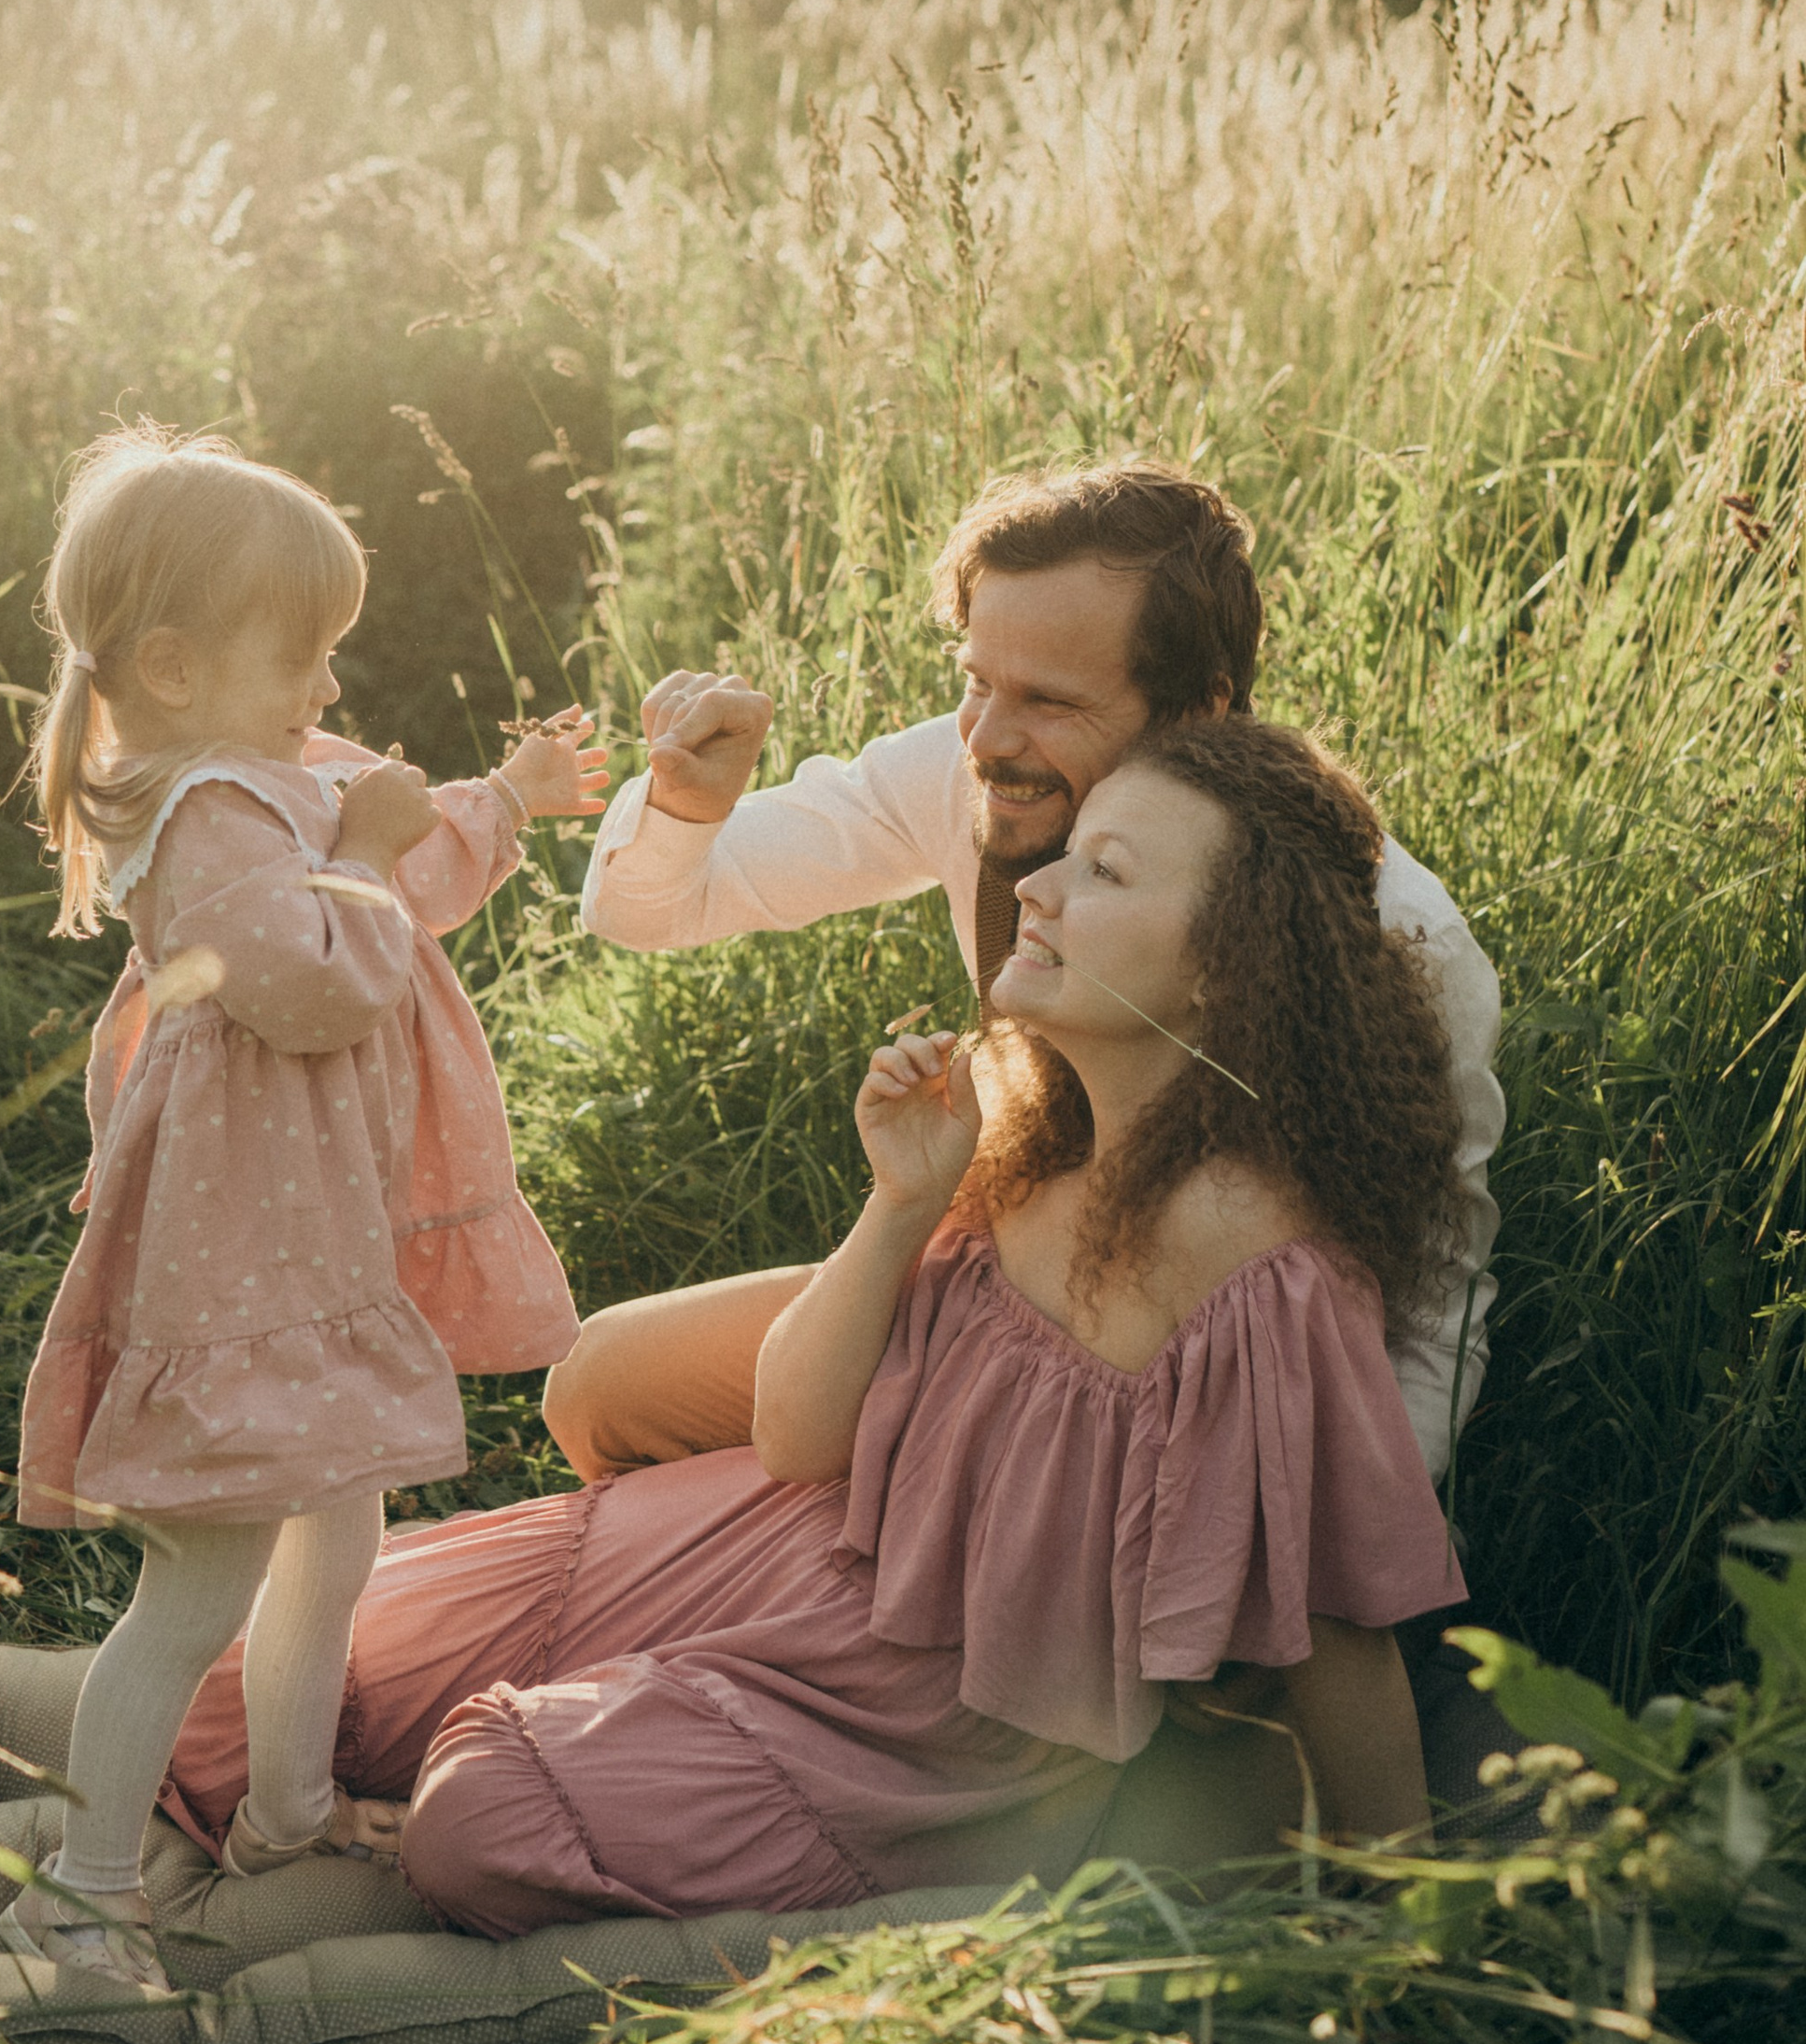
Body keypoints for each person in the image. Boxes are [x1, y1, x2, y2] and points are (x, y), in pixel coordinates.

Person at [160, 719, 1463, 1931]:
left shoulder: (1250, 1249)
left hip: (901, 1721)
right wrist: (904, 1204)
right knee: (232, 1705)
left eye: (1107, 874)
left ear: (1226, 966)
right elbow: (796, 1435)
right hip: (770, 1539)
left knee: (481, 1817)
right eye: (1066, 857)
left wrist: (1410, 1936)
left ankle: (451, 1843)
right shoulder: (1023, 1120)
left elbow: (1342, 1629)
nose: (1044, 889)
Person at [549, 461, 1504, 1493]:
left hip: (1182, 1397)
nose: (988, 740)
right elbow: (649, 907)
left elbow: (1429, 1293)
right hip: (989, 1292)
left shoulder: (1383, 931)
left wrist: (1360, 1550)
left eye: (1048, 700)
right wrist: (688, 802)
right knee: (596, 1388)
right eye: (974, 680)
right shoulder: (966, 770)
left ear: (1198, 709)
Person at [2, 428, 603, 1987]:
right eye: (307, 659)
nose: (331, 693)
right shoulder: (203, 814)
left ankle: (285, 1808)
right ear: (176, 667)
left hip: (313, 1242)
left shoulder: (269, 772)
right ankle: (80, 1889)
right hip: (241, 1264)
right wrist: (375, 851)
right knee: (198, 1580)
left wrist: (509, 795)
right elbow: (325, 977)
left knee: (337, 1536)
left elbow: (392, 840)